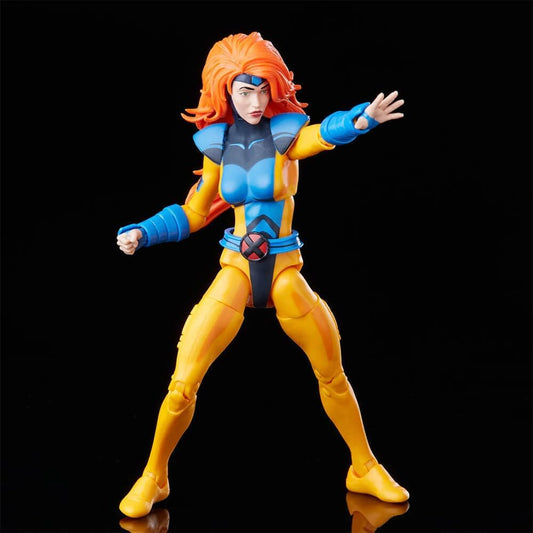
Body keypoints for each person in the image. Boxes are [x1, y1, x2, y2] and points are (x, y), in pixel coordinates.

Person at [116, 31, 408, 519]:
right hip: (236, 268)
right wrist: (144, 231)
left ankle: (363, 467)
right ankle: (154, 476)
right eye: (244, 91)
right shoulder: (216, 145)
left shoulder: (285, 136)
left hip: (284, 271)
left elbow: (320, 136)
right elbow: (195, 211)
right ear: (224, 91)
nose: (255, 102)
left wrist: (360, 119)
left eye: (262, 90)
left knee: (333, 375)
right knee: (182, 384)